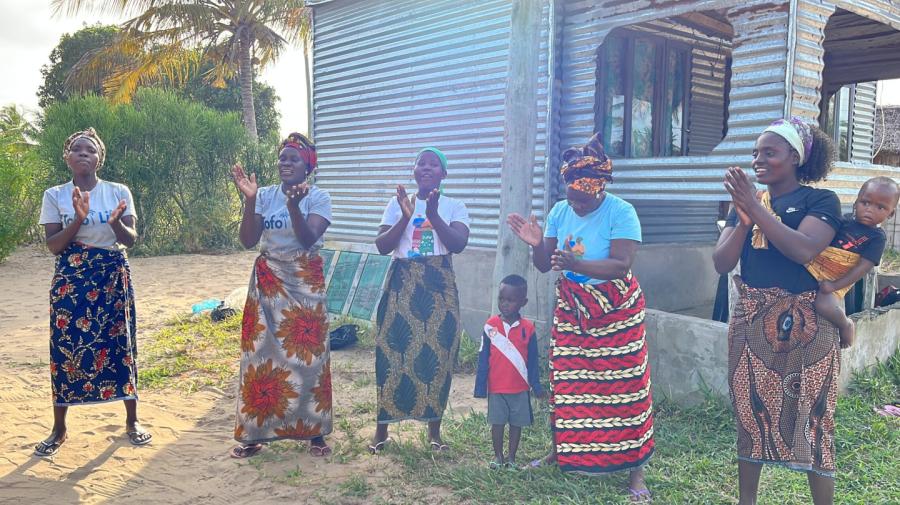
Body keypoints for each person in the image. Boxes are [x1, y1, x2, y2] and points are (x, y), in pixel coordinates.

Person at [507, 134, 654, 503]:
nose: (576, 204)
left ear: (599, 188)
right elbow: (546, 265)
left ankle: (636, 474)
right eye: (571, 197)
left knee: (628, 387)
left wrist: (577, 264)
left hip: (616, 309)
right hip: (573, 308)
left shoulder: (621, 212)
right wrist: (537, 243)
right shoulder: (560, 210)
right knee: (566, 383)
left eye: (582, 199)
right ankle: (562, 451)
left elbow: (621, 265)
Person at [713, 117, 843, 505]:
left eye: (769, 152)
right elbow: (722, 263)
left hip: (809, 325)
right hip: (751, 320)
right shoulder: (746, 207)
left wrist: (755, 205)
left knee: (815, 418)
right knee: (750, 415)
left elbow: (804, 250)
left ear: (795, 157)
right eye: (755, 152)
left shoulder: (820, 201)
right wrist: (744, 219)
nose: (759, 159)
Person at [34, 128, 150, 457]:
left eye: (90, 150)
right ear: (67, 158)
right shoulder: (55, 195)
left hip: (113, 278)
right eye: (77, 150)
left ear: (99, 158)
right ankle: (59, 428)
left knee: (122, 343)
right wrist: (78, 220)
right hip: (72, 280)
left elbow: (130, 240)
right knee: (65, 347)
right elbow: (55, 246)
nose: (84, 154)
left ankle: (132, 421)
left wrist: (115, 224)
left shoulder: (117, 191)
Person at [229, 133, 333, 458]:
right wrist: (249, 200)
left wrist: (294, 207)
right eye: (283, 158)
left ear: (308, 167)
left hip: (305, 282)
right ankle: (254, 434)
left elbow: (307, 239)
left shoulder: (319, 197)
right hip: (268, 280)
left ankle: (314, 433)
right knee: (259, 356)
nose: (285, 163)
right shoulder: (264, 195)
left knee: (311, 357)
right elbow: (248, 240)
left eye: (294, 159)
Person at [368, 147, 470, 454]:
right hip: (402, 283)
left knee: (437, 356)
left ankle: (434, 432)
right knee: (390, 354)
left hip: (438, 285)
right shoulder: (397, 203)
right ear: (414, 171)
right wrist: (405, 216)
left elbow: (458, 243)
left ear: (444, 173)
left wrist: (434, 214)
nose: (426, 168)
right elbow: (383, 246)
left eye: (433, 164)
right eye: (421, 163)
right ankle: (381, 431)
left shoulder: (455, 206)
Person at [806, 177, 899, 347]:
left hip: (839, 277)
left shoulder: (877, 238)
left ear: (891, 213)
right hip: (816, 265)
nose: (869, 210)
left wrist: (835, 286)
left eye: (880, 207)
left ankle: (846, 324)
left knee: (823, 304)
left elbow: (862, 268)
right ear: (856, 202)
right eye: (865, 203)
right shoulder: (843, 221)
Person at [473, 274, 545, 469]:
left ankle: (511, 458)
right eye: (501, 299)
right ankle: (498, 457)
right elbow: (483, 357)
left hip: (520, 388)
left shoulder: (528, 328)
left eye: (511, 300)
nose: (505, 304)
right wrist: (480, 386)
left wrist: (536, 387)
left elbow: (533, 361)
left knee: (516, 424)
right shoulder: (490, 326)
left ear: (523, 302)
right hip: (496, 388)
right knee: (497, 423)